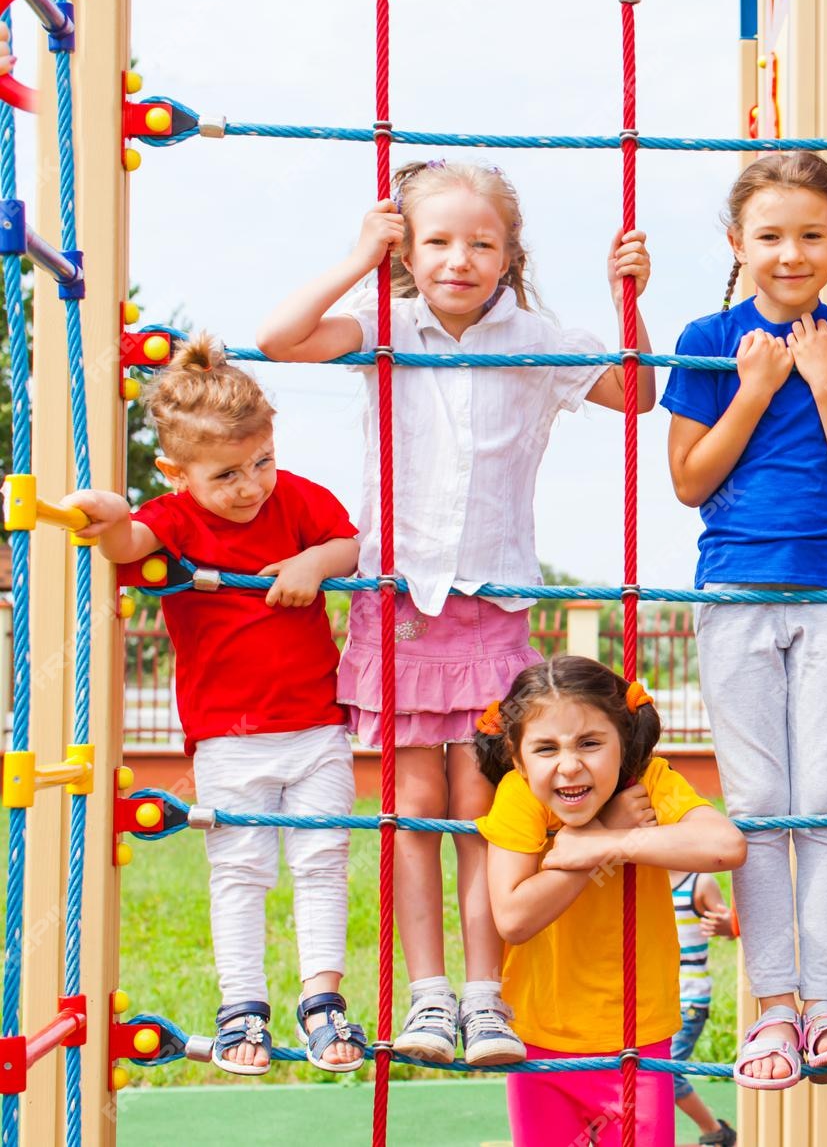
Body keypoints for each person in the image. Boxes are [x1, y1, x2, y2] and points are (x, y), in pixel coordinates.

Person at [257, 160, 655, 1065]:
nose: (460, 258)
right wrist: (362, 256)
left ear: (511, 256)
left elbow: (638, 392)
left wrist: (624, 297)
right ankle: (428, 993)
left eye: (482, 243)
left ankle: (486, 996)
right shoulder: (382, 326)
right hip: (399, 607)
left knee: (482, 805)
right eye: (436, 240)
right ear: (407, 249)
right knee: (412, 808)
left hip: (491, 606)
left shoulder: (538, 339)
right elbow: (278, 337)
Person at [663, 150, 827, 1089]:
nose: (792, 252)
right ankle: (772, 1006)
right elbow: (690, 481)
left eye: (813, 234)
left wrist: (821, 381)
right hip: (735, 591)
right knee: (761, 803)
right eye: (770, 236)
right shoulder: (706, 336)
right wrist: (760, 386)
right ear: (738, 243)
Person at [63, 335, 367, 1077]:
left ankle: (324, 1000)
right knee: (240, 869)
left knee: (324, 859)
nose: (250, 485)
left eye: (261, 460)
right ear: (176, 471)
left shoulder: (293, 498)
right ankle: (243, 1007)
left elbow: (351, 545)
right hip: (229, 738)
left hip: (319, 726)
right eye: (226, 473)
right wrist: (107, 516)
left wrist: (310, 561)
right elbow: (129, 543)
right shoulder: (173, 517)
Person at [475, 655, 747, 1147]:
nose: (569, 765)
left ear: (623, 742)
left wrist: (605, 845)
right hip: (539, 1038)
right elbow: (513, 917)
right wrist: (601, 836)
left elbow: (725, 846)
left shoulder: (650, 781)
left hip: (637, 1039)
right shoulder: (521, 794)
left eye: (590, 743)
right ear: (518, 759)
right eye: (545, 748)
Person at [671, 868, 737, 1147]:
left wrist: (728, 925)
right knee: (648, 1070)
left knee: (664, 1072)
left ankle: (714, 1131)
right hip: (653, 999)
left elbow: (730, 928)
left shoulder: (699, 882)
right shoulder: (645, 877)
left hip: (689, 998)